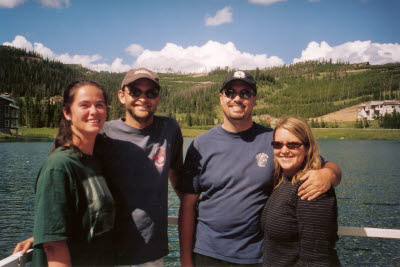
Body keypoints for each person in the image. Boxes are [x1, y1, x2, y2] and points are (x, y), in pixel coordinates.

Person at [14, 68, 184, 266]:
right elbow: (63, 180)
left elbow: (177, 176)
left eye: (151, 93)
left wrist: (198, 212)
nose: (143, 98)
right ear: (122, 96)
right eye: (135, 91)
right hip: (110, 253)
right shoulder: (101, 133)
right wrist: (46, 234)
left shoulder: (169, 129)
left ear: (158, 97)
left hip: (151, 253)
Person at [178, 70, 341, 266]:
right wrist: (186, 258)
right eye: (230, 92)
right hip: (207, 253)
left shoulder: (275, 141)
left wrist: (328, 174)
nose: (237, 98)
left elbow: (318, 163)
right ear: (221, 97)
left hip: (256, 256)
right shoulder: (200, 144)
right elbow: (187, 206)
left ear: (254, 99)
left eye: (245, 93)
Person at [31, 80, 115, 266]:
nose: (94, 111)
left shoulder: (94, 162)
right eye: (84, 105)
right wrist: (43, 234)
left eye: (99, 105)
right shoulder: (59, 166)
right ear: (67, 112)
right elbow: (53, 245)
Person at [261, 117, 340, 266]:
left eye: (293, 145)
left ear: (307, 148)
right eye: (278, 144)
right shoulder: (283, 180)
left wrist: (330, 173)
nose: (284, 150)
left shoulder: (312, 188)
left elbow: (316, 260)